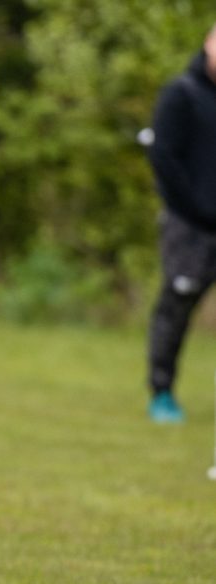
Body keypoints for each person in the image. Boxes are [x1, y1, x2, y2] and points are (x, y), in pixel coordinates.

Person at [146, 25, 216, 423]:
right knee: (176, 306)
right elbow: (164, 159)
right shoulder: (181, 94)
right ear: (208, 43)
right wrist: (195, 208)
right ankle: (162, 392)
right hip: (190, 227)